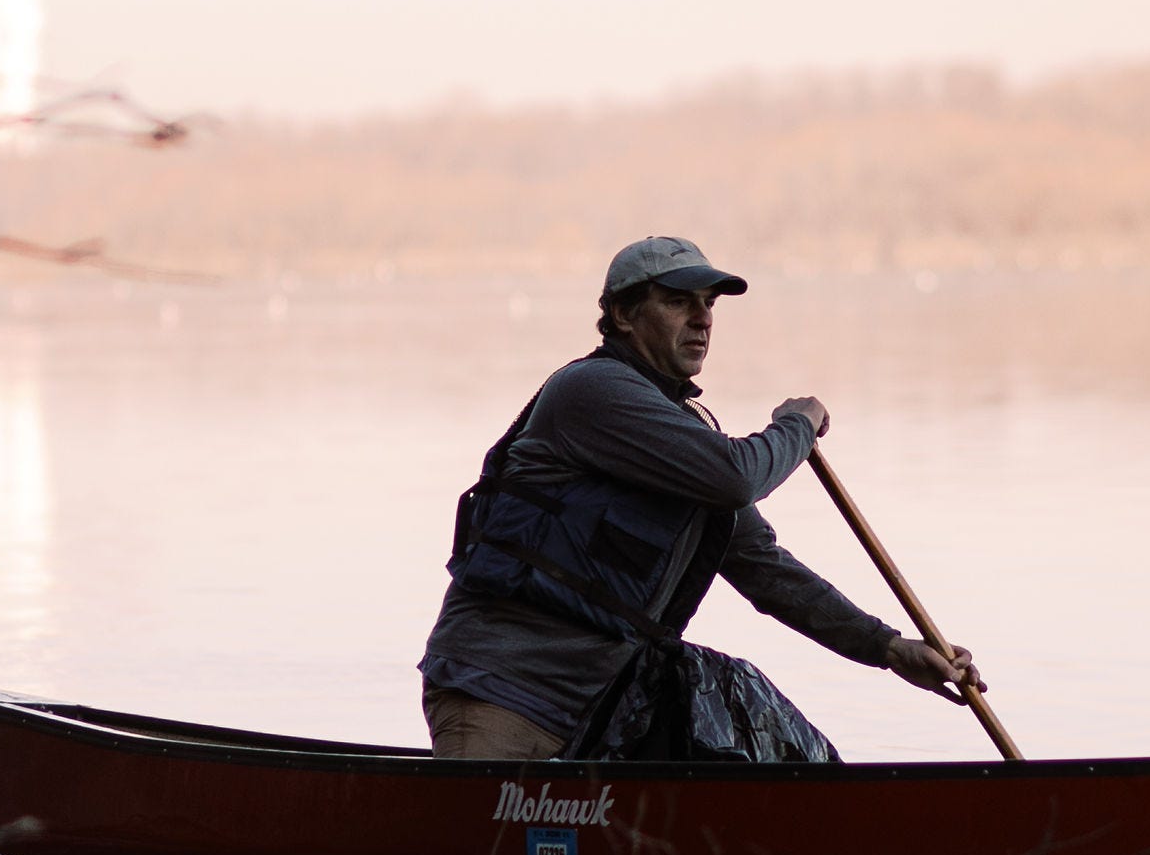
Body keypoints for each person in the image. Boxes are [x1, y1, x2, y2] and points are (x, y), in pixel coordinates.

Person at [419, 236, 982, 760]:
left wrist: (889, 648)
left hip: (604, 706)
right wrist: (800, 424)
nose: (703, 318)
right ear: (622, 315)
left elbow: (765, 570)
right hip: (500, 690)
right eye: (677, 302)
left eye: (709, 303)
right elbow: (737, 476)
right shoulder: (592, 391)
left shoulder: (682, 433)